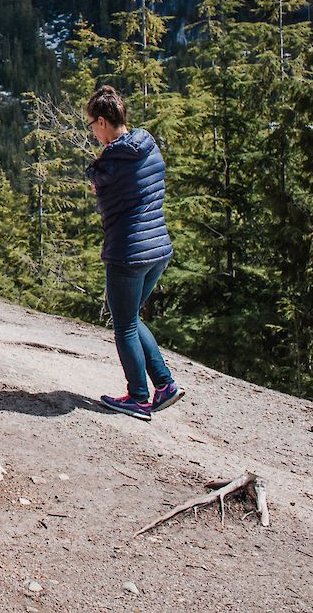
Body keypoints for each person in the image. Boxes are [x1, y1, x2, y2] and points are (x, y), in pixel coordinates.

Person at [83, 85, 183, 420]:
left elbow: (99, 183)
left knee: (124, 324)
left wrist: (94, 171)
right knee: (132, 317)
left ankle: (138, 397)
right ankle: (165, 385)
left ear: (101, 122)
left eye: (92, 126)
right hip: (158, 248)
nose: (93, 133)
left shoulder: (113, 161)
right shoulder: (147, 144)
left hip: (129, 251)